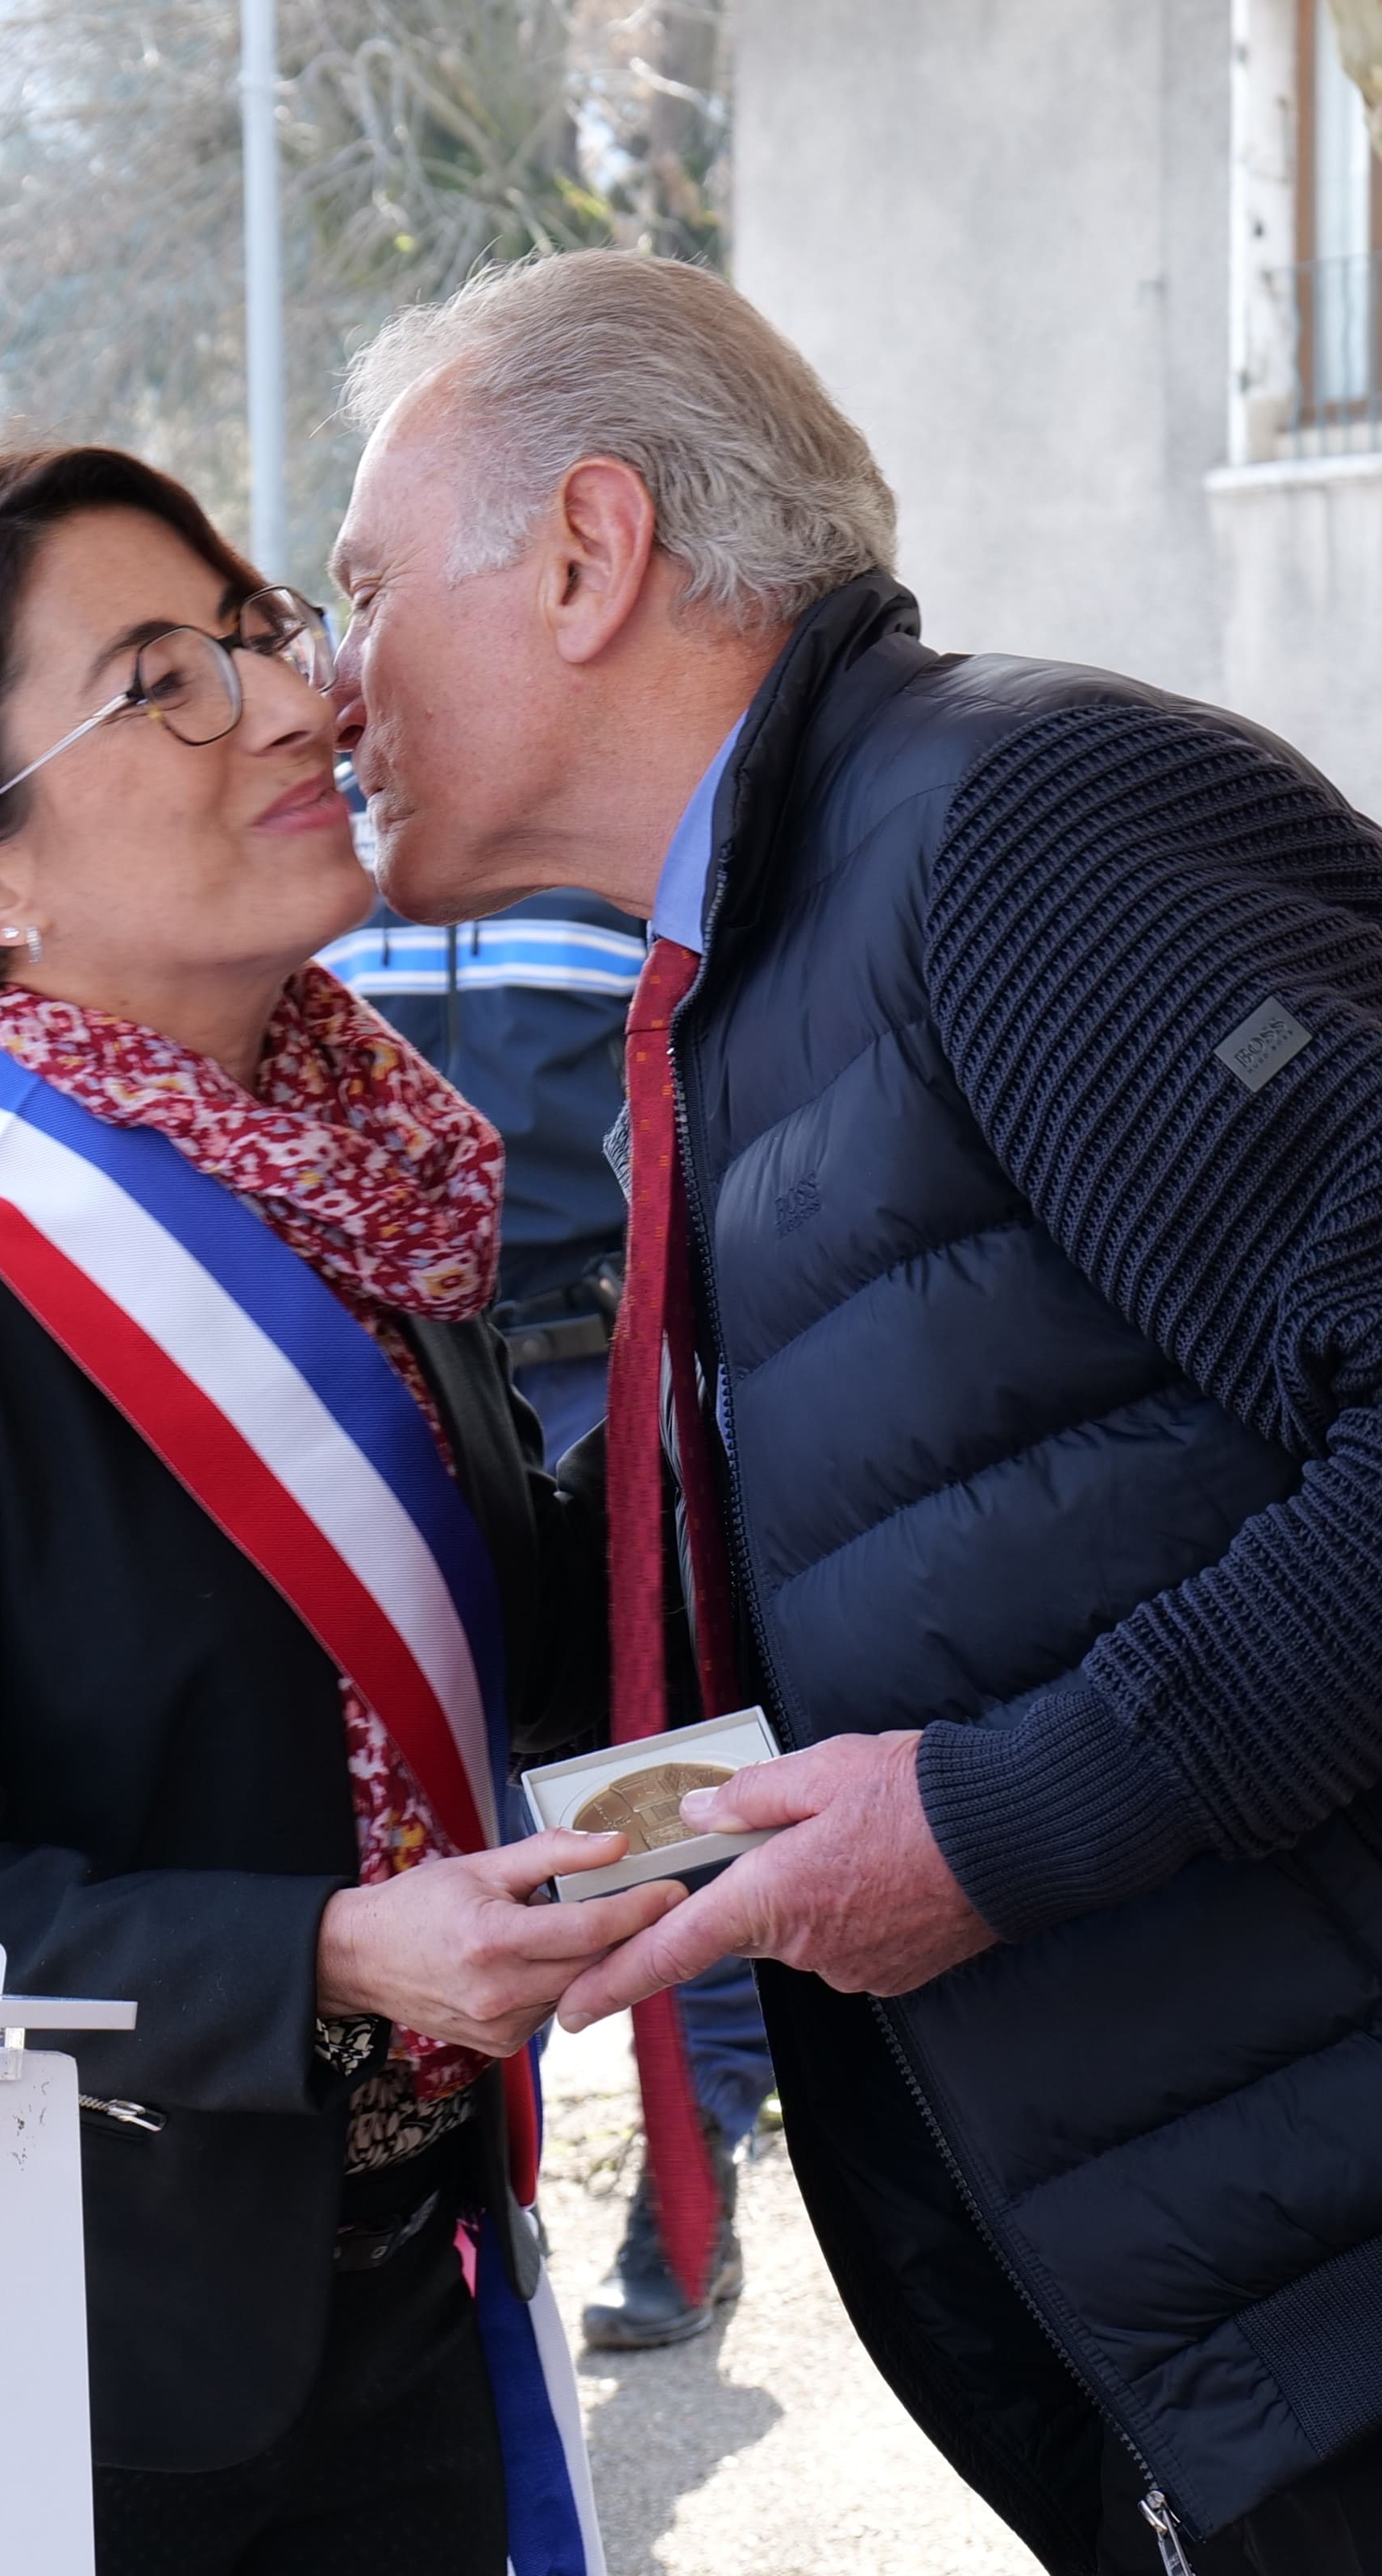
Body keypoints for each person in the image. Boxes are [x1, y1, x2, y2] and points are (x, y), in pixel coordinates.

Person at [329, 249, 1382, 2576]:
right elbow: (909, 1567)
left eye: (363, 588)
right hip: (1231, 2305)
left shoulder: (1026, 828)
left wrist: (994, 1826)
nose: (330, 670)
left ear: (588, 552)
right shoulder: (767, 961)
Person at [0, 444, 686, 2576]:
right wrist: (333, 1951)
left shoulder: (372, 1188)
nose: (284, 704)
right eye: (163, 683)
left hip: (404, 2304)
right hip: (60, 2380)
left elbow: (523, 1653)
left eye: (258, 629)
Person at [323, 883, 779, 2345]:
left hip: (601, 1353)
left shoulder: (589, 854)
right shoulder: (315, 857)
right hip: (412, 1370)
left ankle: (692, 2169)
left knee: (657, 1811)